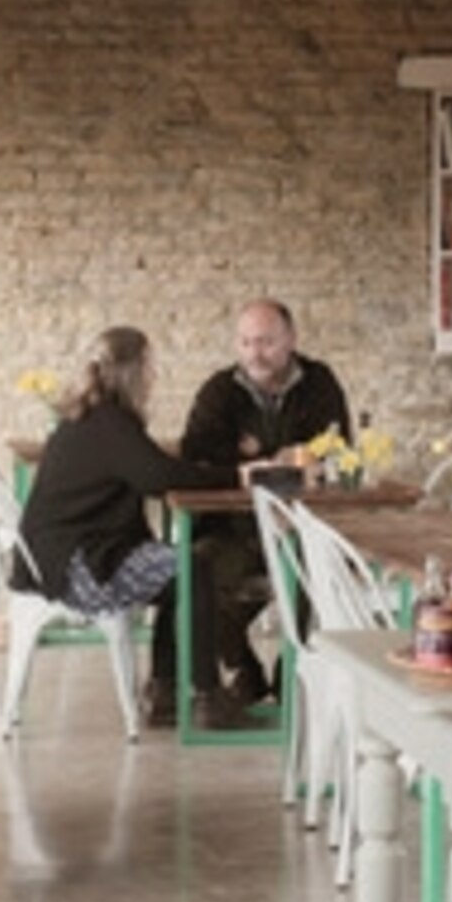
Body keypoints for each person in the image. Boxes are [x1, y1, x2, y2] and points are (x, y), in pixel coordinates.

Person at [18, 324, 246, 729]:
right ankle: (206, 696)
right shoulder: (110, 422)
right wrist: (238, 476)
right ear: (132, 372)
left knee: (182, 571)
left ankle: (165, 691)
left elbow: (153, 470)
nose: (154, 377)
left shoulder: (91, 415)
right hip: (78, 569)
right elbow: (158, 477)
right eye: (150, 367)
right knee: (193, 568)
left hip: (62, 556)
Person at [178, 299, 351, 724]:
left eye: (267, 342)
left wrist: (302, 464)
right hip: (236, 529)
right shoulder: (219, 391)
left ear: (291, 340)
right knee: (195, 570)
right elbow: (196, 458)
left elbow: (338, 451)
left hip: (303, 530)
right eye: (246, 342)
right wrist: (250, 468)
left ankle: (291, 674)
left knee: (321, 572)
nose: (255, 353)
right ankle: (244, 672)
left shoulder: (320, 382)